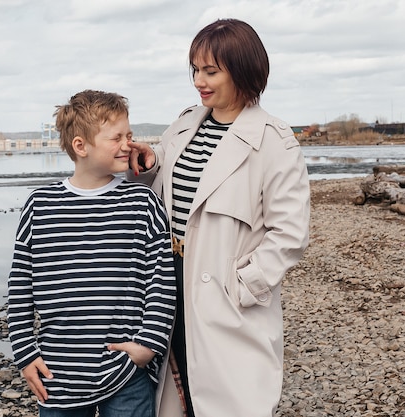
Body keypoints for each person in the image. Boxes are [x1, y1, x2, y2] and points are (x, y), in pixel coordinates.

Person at [127, 19, 311, 417]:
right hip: (171, 279)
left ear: (242, 70)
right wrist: (150, 162)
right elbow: (170, 179)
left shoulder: (274, 140)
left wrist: (245, 284)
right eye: (195, 69)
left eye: (211, 71)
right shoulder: (184, 125)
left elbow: (290, 233)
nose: (199, 80)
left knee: (230, 399)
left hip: (226, 292)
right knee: (179, 390)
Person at [7, 89, 177, 417]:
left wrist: (147, 344)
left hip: (127, 370)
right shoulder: (40, 206)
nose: (128, 143)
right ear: (81, 146)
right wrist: (26, 354)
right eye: (117, 137)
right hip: (58, 374)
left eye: (130, 135)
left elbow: (161, 281)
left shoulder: (142, 203)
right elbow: (19, 288)